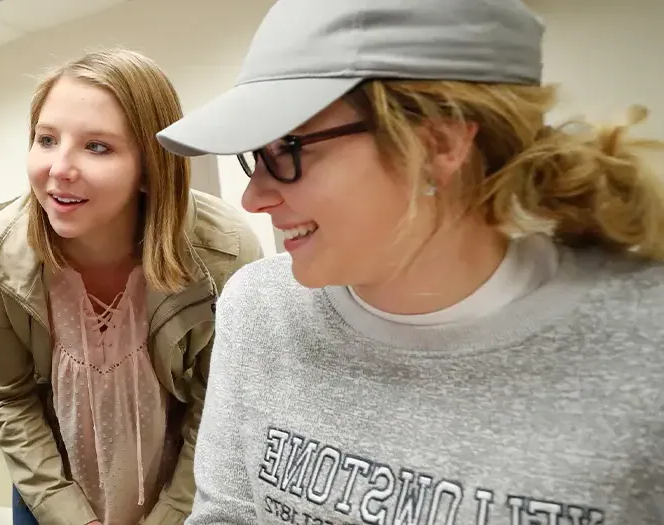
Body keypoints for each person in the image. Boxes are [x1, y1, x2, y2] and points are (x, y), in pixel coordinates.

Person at [155, 0, 664, 523]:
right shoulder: (260, 307)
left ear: (438, 145)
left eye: (288, 150)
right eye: (254, 156)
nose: (253, 199)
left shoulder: (644, 343)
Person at [0, 49, 264, 525]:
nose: (58, 168)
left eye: (97, 146)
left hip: (184, 487)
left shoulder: (222, 252)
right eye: (46, 139)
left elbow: (220, 407)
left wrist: (169, 516)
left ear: (150, 168)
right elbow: (8, 398)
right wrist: (69, 517)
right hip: (53, 490)